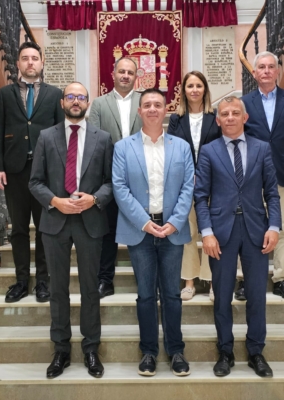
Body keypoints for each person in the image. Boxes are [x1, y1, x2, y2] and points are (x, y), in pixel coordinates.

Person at [29, 82, 113, 379]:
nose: (76, 101)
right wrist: (55, 201)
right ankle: (61, 350)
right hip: (55, 221)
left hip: (90, 222)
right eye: (71, 96)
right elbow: (35, 181)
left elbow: (111, 182)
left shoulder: (102, 138)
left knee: (91, 290)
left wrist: (95, 198)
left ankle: (91, 349)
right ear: (63, 102)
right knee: (58, 290)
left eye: (81, 96)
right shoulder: (46, 137)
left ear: (88, 102)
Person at [195, 95, 280, 378]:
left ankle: (256, 351)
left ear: (245, 118)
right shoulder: (208, 151)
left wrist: (275, 226)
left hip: (257, 230)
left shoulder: (262, 148)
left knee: (257, 294)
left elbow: (272, 192)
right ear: (217, 120)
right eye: (224, 114)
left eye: (235, 113)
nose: (230, 117)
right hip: (221, 232)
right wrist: (206, 232)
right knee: (221, 296)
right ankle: (225, 351)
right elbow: (200, 196)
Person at [112, 88, 194, 377]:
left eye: (157, 104)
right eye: (146, 104)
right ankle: (148, 351)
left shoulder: (181, 147)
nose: (152, 109)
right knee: (146, 294)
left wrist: (175, 221)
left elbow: (188, 187)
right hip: (140, 231)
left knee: (172, 294)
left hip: (172, 228)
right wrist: (145, 223)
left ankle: (175, 350)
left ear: (165, 110)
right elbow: (119, 189)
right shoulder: (124, 147)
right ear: (139, 111)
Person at [0, 41, 64, 303]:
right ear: (19, 63)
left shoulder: (56, 95)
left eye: (35, 58)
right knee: (19, 229)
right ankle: (22, 280)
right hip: (15, 171)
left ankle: (43, 281)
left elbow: (62, 134)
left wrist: (61, 172)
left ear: (42, 63)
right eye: (25, 58)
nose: (30, 62)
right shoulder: (5, 94)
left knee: (45, 228)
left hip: (45, 173)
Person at [238, 51, 284, 301]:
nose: (266, 71)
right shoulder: (244, 102)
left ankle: (282, 279)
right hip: (252, 175)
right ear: (254, 72)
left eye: (271, 67)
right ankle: (248, 279)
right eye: (261, 67)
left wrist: (282, 156)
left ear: (277, 71)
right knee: (250, 228)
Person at [88, 57, 143, 298]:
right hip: (108, 177)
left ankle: (146, 280)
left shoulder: (145, 101)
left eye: (130, 72)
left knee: (141, 227)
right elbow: (94, 141)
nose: (125, 76)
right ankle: (105, 280)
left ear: (135, 76)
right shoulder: (99, 104)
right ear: (113, 73)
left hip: (140, 176)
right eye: (122, 71)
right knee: (108, 230)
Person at [168, 71, 221, 301]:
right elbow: (171, 151)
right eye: (190, 86)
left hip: (213, 182)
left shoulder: (215, 116)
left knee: (211, 232)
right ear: (184, 90)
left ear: (205, 90)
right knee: (188, 231)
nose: (195, 90)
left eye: (199, 85)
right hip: (185, 183)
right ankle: (189, 281)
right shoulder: (175, 119)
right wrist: (190, 175)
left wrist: (205, 175)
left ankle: (211, 282)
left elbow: (221, 149)